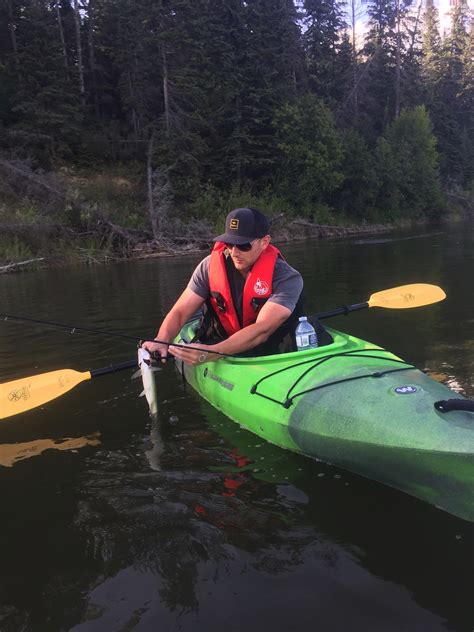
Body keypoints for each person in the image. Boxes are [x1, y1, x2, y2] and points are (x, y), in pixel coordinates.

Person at [143, 207, 304, 365]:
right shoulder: (208, 267)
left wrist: (212, 353)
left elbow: (262, 330)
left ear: (264, 242)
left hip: (269, 348)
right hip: (220, 339)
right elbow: (180, 311)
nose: (234, 252)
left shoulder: (287, 278)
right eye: (229, 244)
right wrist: (162, 339)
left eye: (244, 245)